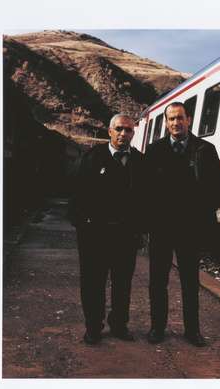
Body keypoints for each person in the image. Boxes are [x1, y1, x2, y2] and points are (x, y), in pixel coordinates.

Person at [145, 102, 220, 346]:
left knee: (190, 282)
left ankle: (192, 331)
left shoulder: (205, 149)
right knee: (158, 281)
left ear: (188, 119)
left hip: (190, 229)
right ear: (166, 122)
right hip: (161, 228)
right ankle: (157, 328)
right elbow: (145, 190)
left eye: (179, 118)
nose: (175, 123)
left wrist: (203, 215)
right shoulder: (154, 150)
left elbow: (215, 186)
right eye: (170, 119)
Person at [68, 114, 145, 345]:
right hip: (95, 236)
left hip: (126, 236)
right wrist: (84, 225)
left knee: (122, 284)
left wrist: (140, 230)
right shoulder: (91, 158)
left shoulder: (141, 162)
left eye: (129, 130)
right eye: (119, 129)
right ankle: (93, 327)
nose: (124, 134)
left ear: (133, 134)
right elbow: (75, 195)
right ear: (109, 132)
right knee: (93, 283)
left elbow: (147, 199)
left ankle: (119, 325)